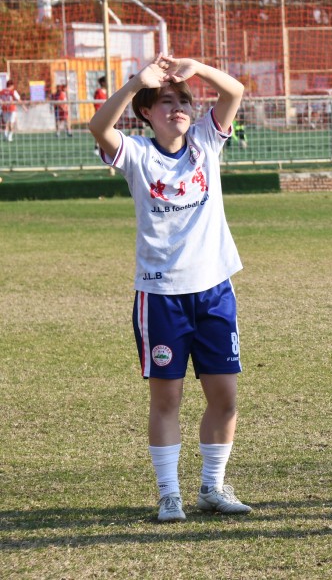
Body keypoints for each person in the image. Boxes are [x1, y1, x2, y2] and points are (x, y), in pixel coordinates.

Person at [88, 55, 253, 523]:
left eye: (184, 100)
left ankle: (212, 488)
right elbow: (99, 127)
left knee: (224, 397)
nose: (177, 107)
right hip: (160, 297)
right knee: (167, 399)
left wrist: (194, 67)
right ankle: (169, 495)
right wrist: (134, 83)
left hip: (214, 291)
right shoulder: (137, 153)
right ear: (146, 112)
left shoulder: (205, 140)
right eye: (165, 101)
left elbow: (235, 91)